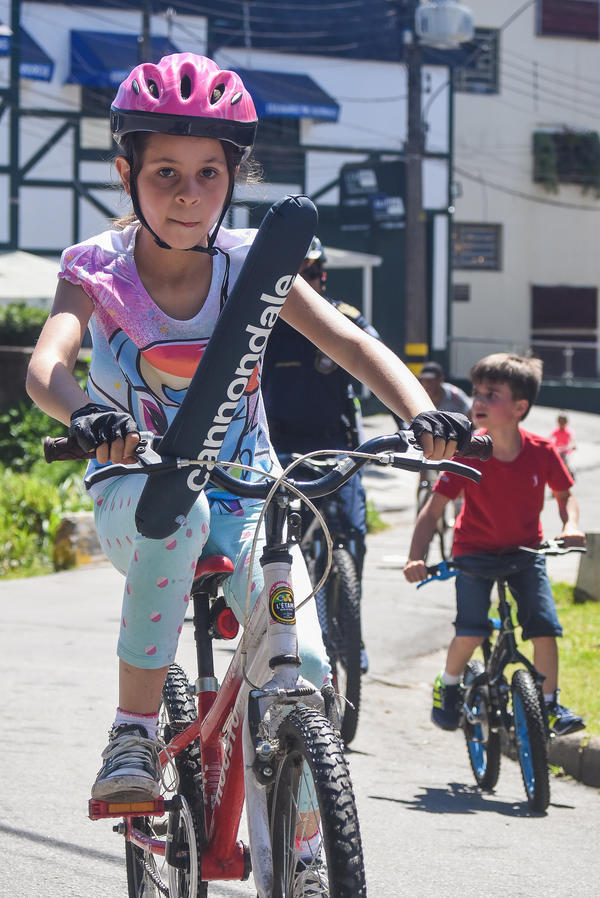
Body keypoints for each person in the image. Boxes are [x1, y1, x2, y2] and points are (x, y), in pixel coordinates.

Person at [26, 53, 472, 811]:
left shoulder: (250, 265)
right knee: (179, 519)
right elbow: (46, 366)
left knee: (309, 671)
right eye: (165, 171)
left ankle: (301, 837)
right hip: (137, 489)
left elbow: (353, 344)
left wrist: (417, 412)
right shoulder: (97, 269)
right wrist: (86, 413)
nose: (189, 194)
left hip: (247, 490)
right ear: (125, 170)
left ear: (235, 177)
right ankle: (132, 732)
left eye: (209, 173)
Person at [403, 353, 586, 737]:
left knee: (544, 629)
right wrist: (415, 557)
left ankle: (550, 705)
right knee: (471, 631)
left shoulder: (541, 450)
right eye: (476, 392)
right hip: (473, 553)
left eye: (492, 394)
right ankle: (449, 684)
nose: (479, 401)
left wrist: (571, 525)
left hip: (525, 552)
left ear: (520, 407)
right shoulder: (468, 453)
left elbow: (566, 495)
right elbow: (434, 509)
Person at [261, 236, 384, 673]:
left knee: (352, 535)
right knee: (274, 543)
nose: (304, 283)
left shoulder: (344, 319)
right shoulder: (265, 322)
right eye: (295, 275)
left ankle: (353, 636)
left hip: (338, 445)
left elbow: (375, 357)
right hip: (279, 449)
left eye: (311, 273)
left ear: (323, 275)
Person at [550, 413, 576, 479]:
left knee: (565, 461)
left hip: (565, 451)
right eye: (560, 422)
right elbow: (549, 438)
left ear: (566, 422)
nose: (561, 424)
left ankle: (570, 475)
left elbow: (572, 440)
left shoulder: (568, 431)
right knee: (553, 462)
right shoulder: (556, 431)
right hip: (557, 450)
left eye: (563, 422)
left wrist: (574, 445)